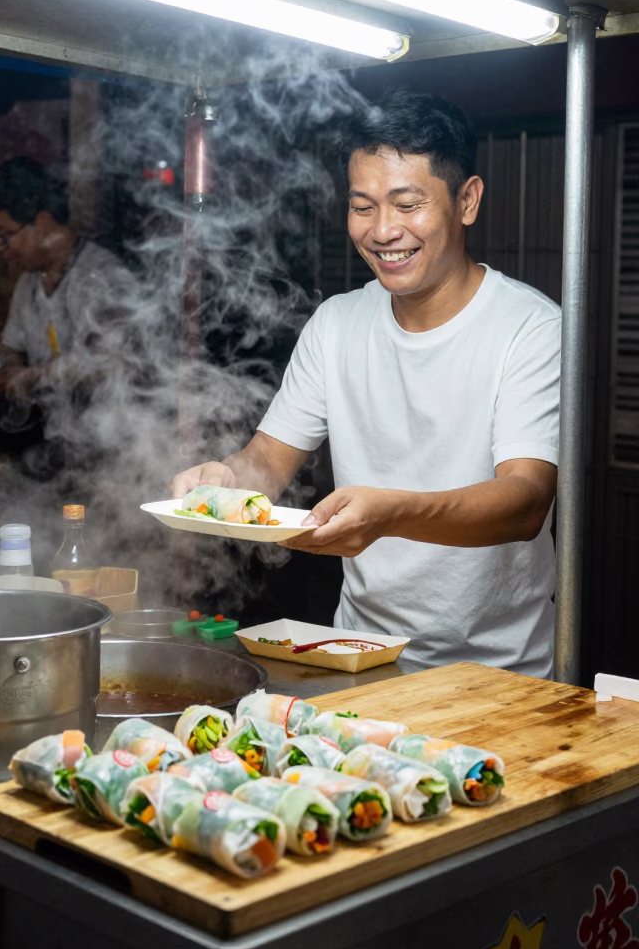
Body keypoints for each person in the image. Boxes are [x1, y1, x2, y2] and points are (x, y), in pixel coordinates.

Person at [172, 90, 561, 678]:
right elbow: (267, 462)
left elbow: (525, 500)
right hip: (360, 658)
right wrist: (224, 482)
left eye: (407, 205)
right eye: (363, 206)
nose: (383, 231)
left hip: (500, 672)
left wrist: (389, 513)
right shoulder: (337, 323)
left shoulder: (529, 327)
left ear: (467, 201)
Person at [0, 156, 130, 401]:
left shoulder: (103, 275)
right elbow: (13, 349)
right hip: (52, 421)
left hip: (106, 420)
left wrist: (32, 377)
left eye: (4, 236)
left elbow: (105, 362)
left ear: (43, 222)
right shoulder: (28, 283)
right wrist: (0, 364)